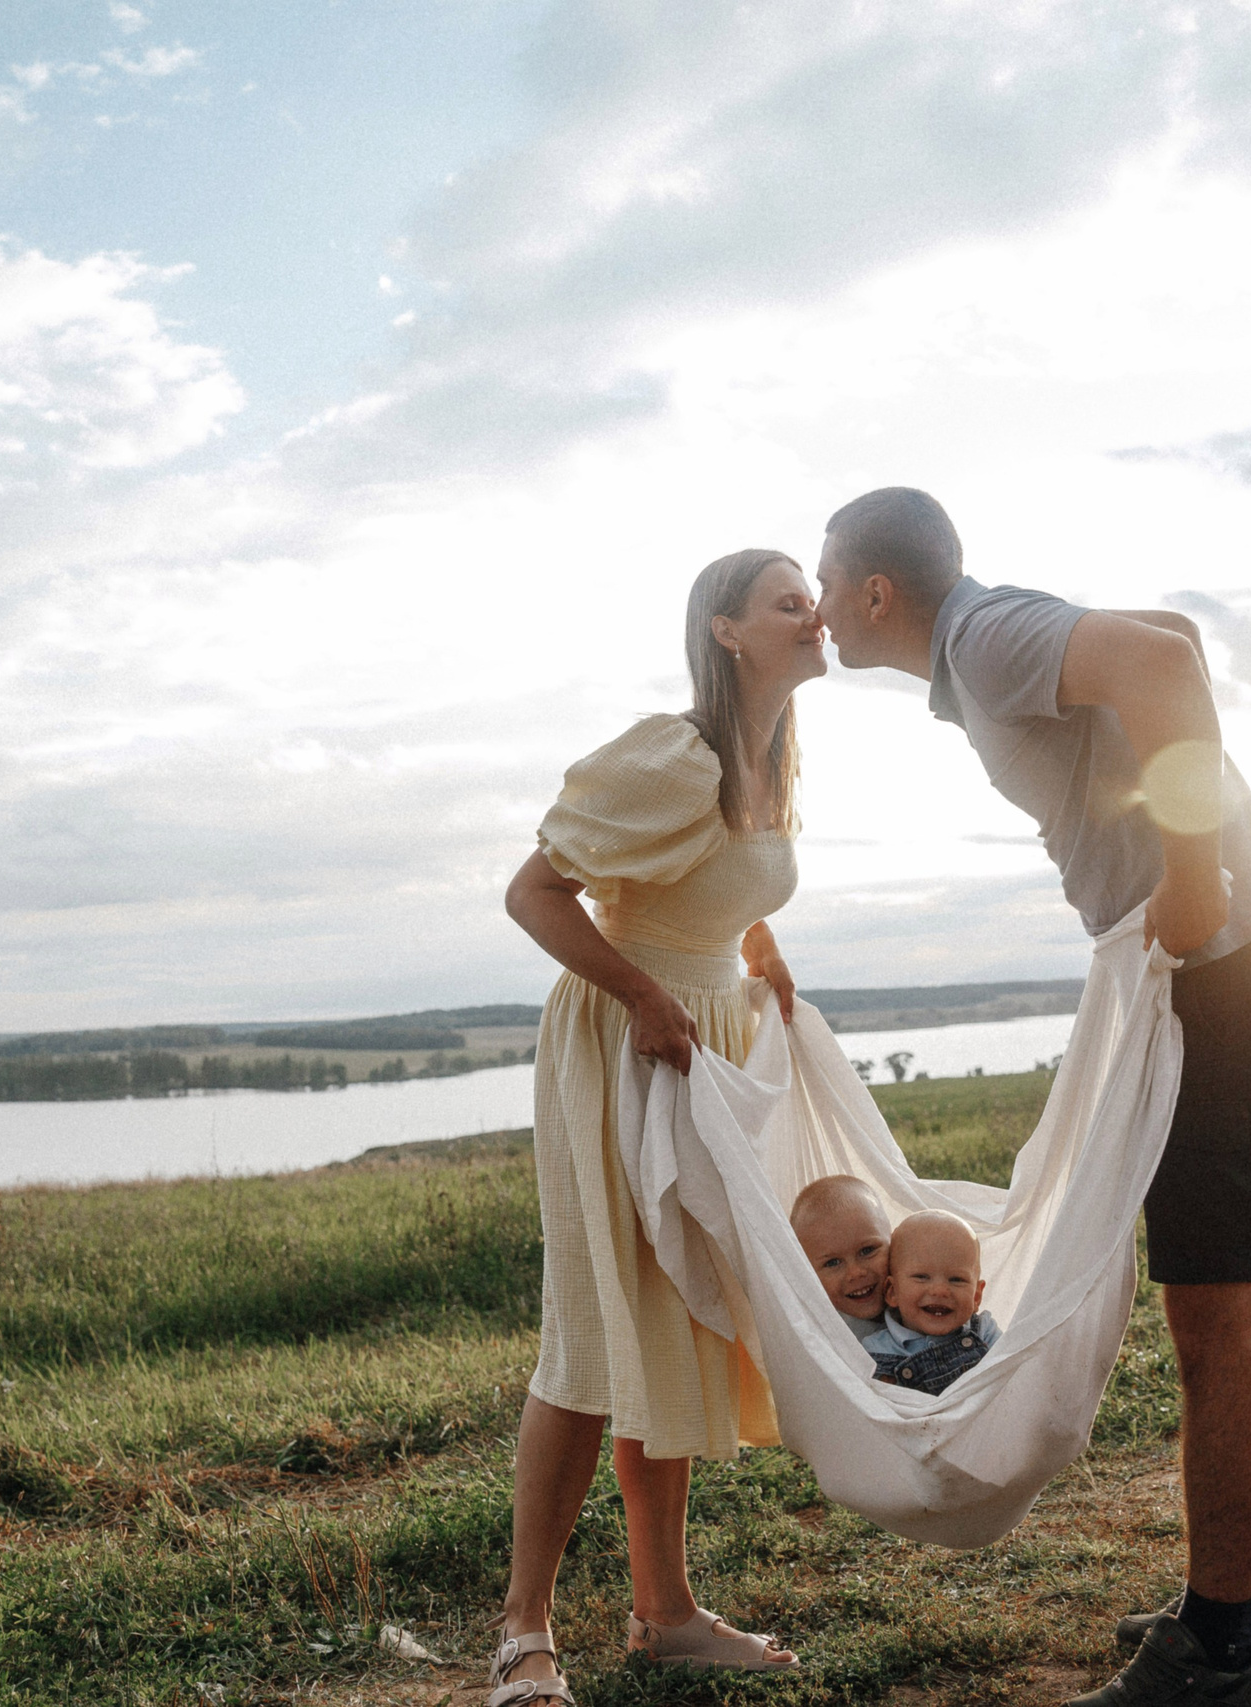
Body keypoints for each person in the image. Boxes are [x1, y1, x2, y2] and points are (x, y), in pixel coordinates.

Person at [814, 489, 1251, 1707]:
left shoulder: (982, 636)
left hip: (1231, 991)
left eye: (828, 583)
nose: (825, 611)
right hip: (1242, 987)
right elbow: (1173, 637)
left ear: (875, 592)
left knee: (1220, 1329)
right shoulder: (987, 646)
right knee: (1242, 1315)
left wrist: (1193, 872)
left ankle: (1215, 1655)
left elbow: (1160, 661)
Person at [488, 549, 824, 1707]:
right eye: (789, 598)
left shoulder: (774, 755)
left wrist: (760, 963)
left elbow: (722, 890)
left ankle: (665, 1612)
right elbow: (534, 893)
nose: (813, 612)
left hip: (707, 1038)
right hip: (626, 1043)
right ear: (727, 630)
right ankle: (524, 1634)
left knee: (674, 1316)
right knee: (592, 1328)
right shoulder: (673, 754)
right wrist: (641, 995)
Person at [858, 1209, 998, 1396]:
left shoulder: (984, 1333)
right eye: (921, 1277)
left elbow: (1019, 1375)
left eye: (956, 1279)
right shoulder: (872, 1352)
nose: (940, 1291)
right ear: (892, 1292)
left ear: (976, 1296)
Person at [789, 1174, 894, 1343]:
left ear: (893, 1239)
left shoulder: (921, 1289)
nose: (856, 1272)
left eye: (867, 1250)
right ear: (808, 1274)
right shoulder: (822, 1339)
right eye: (833, 1263)